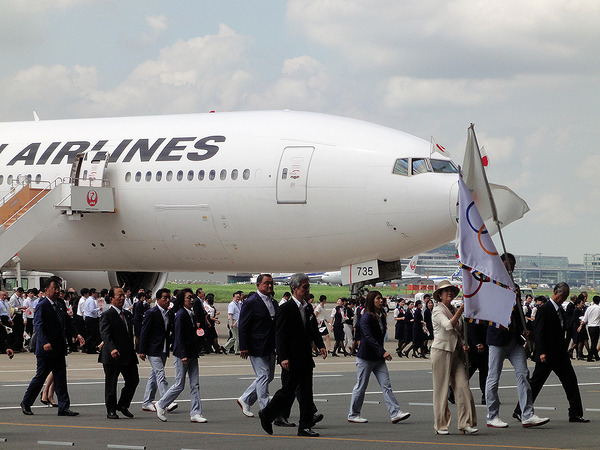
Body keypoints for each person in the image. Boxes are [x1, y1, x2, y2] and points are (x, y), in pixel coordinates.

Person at [258, 273, 327, 438]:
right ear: (295, 289)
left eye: (308, 287)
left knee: (306, 393)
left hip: (305, 357)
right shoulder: (286, 308)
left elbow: (313, 330)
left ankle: (305, 426)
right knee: (287, 391)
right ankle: (267, 413)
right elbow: (280, 334)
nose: (307, 290)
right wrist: (283, 357)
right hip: (291, 357)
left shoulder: (308, 307)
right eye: (304, 287)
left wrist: (321, 345)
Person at [486, 253, 549, 429]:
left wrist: (524, 328)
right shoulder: (491, 283)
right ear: (501, 264)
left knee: (523, 374)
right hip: (497, 338)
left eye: (512, 265)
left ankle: (527, 414)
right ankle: (492, 415)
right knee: (493, 377)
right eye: (508, 264)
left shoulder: (515, 286)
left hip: (514, 339)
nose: (510, 268)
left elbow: (517, 312)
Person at [514, 282, 589, 423]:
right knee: (535, 384)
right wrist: (541, 352)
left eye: (566, 297)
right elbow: (539, 332)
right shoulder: (545, 309)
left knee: (571, 382)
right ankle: (520, 410)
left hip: (560, 354)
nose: (563, 299)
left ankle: (575, 413)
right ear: (555, 292)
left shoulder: (560, 310)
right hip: (547, 355)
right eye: (562, 296)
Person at [21, 276, 84, 417]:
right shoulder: (42, 305)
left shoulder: (60, 304)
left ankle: (63, 407)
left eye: (59, 288)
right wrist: (45, 342)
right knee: (40, 377)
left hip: (59, 347)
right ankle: (26, 402)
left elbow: (67, 322)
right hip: (46, 349)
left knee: (60, 378)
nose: (57, 291)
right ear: (46, 290)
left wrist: (77, 334)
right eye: (54, 288)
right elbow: (39, 325)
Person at [347, 290, 410, 424]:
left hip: (378, 358)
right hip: (366, 357)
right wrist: (383, 351)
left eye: (381, 298)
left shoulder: (381, 315)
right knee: (361, 386)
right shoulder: (366, 317)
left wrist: (381, 353)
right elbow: (368, 337)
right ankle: (353, 414)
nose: (381, 300)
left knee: (386, 385)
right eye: (377, 298)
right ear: (371, 300)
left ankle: (395, 413)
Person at [430, 280, 477, 435]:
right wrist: (461, 311)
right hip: (441, 351)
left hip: (456, 352)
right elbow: (448, 325)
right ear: (440, 295)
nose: (449, 293)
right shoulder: (438, 310)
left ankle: (465, 423)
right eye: (445, 291)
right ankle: (440, 424)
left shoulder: (454, 308)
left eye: (451, 290)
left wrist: (464, 344)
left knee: (463, 386)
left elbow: (458, 331)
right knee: (441, 389)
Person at [155, 289, 206, 423]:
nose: (192, 300)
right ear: (182, 300)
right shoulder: (181, 315)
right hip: (182, 354)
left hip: (192, 353)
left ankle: (196, 412)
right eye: (189, 298)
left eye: (192, 297)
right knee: (179, 384)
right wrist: (183, 354)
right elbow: (178, 337)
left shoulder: (191, 314)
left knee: (195, 384)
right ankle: (161, 404)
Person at [236, 274, 278, 418]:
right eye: (266, 283)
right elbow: (243, 325)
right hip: (256, 345)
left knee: (269, 376)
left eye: (271, 283)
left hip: (270, 345)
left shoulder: (273, 302)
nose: (270, 286)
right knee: (263, 375)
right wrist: (243, 346)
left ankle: (245, 399)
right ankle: (266, 408)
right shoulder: (251, 302)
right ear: (258, 285)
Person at [99, 287, 139, 420]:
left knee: (133, 380)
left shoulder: (127, 314)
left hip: (127, 354)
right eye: (119, 296)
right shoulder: (107, 314)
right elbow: (105, 333)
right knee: (111, 384)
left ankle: (123, 405)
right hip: (112, 355)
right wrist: (112, 349)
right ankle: (111, 409)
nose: (122, 298)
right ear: (111, 299)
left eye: (123, 296)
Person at [138, 288, 177, 413]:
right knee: (160, 375)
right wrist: (142, 350)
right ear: (158, 299)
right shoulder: (152, 312)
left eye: (168, 298)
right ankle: (166, 401)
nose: (167, 300)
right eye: (164, 298)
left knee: (154, 376)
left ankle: (147, 402)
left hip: (164, 348)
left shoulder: (169, 313)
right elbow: (144, 332)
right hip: (152, 349)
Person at [580, 295, 600, 362]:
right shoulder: (599, 308)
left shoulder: (589, 308)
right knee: (594, 343)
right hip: (596, 326)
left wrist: (582, 324)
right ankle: (590, 357)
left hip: (590, 327)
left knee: (593, 341)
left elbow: (585, 318)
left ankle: (597, 356)